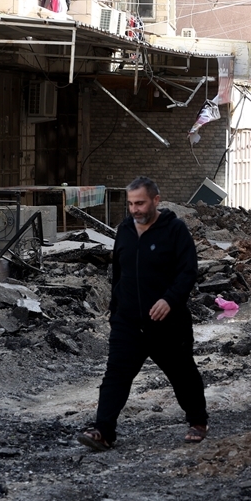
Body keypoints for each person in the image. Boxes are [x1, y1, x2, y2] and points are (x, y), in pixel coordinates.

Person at [78, 177, 208, 451]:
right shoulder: (124, 229)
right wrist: (116, 311)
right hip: (128, 322)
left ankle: (197, 421)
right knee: (115, 375)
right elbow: (119, 274)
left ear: (156, 201)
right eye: (131, 204)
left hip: (167, 323)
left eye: (140, 203)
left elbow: (188, 272)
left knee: (182, 373)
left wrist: (170, 300)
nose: (135, 209)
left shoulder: (175, 230)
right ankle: (104, 431)